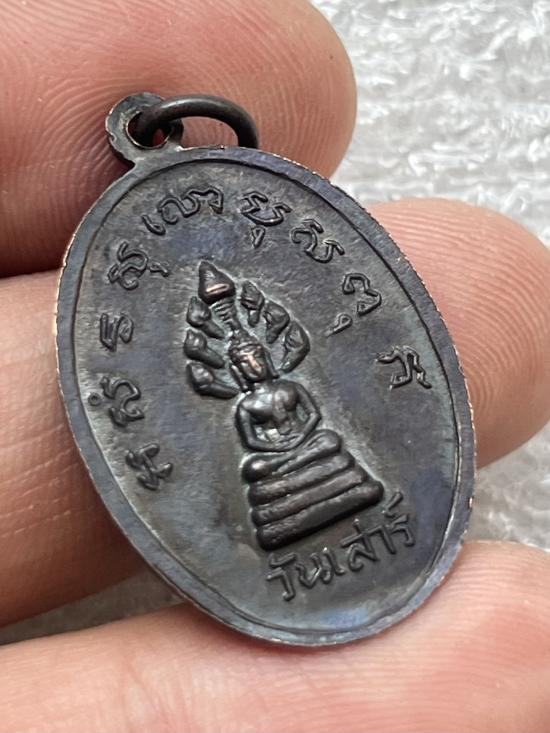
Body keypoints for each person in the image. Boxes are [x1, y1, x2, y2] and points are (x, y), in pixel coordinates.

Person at [0, 0, 549, 730]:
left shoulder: (276, 358)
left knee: (298, 426)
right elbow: (243, 411)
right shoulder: (231, 378)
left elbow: (296, 397)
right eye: (228, 333)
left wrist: (276, 380)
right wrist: (246, 387)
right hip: (270, 463)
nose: (241, 340)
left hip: (310, 444)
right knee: (264, 446)